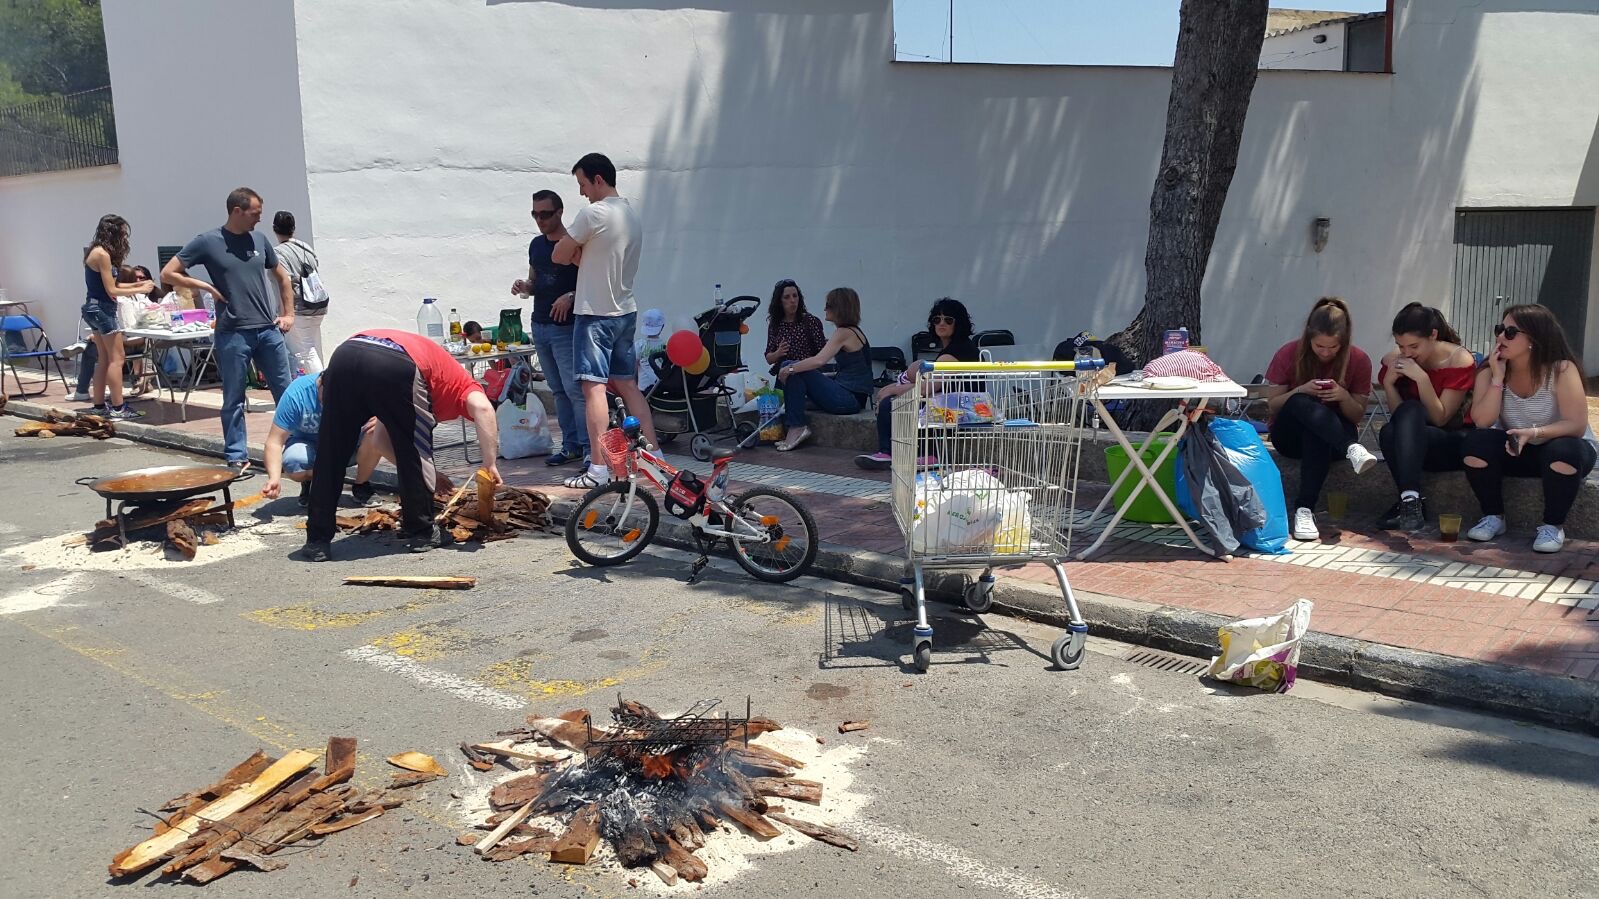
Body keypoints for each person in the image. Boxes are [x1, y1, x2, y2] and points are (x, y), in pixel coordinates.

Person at [303, 329, 501, 561]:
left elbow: (380, 441)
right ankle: (422, 532)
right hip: (396, 363)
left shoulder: (430, 381)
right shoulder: (464, 385)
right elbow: (483, 408)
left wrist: (431, 475)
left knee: (331, 451)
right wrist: (490, 464)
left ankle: (317, 540)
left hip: (346, 355)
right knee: (415, 449)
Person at [162, 188, 297, 471]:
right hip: (233, 332)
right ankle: (236, 456)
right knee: (233, 397)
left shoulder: (260, 240)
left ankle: (296, 450)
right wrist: (205, 286)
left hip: (268, 330)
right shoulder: (208, 241)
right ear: (237, 211)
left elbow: (282, 278)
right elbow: (168, 273)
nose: (259, 219)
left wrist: (288, 314)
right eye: (255, 213)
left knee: (286, 394)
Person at [552, 153, 657, 489]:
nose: (582, 192)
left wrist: (575, 250)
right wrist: (581, 254)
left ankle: (597, 469)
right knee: (628, 385)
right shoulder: (631, 215)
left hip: (595, 313)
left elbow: (558, 254)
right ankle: (654, 456)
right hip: (625, 311)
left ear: (598, 179)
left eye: (583, 183)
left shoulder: (594, 213)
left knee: (593, 388)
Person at [1462, 305, 1598, 553]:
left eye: (1510, 332)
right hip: (1518, 449)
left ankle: (1553, 526)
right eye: (1499, 329)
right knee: (1476, 443)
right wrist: (1497, 379)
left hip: (1566, 450)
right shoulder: (1490, 371)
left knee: (1564, 450)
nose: (1500, 337)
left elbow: (1576, 425)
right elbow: (1482, 421)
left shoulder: (1561, 369)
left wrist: (1533, 433)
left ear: (1534, 339)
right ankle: (1493, 516)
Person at [1261, 297, 1376, 541]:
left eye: (1333, 347)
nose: (1325, 352)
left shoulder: (1359, 359)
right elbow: (1273, 405)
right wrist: (1301, 390)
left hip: (1334, 437)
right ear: (1308, 337)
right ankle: (1352, 448)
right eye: (1319, 346)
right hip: (1290, 436)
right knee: (1301, 402)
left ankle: (1304, 509)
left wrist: (1343, 396)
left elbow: (1357, 414)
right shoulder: (1289, 353)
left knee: (1316, 433)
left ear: (1344, 341)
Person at [1374, 303, 1476, 531]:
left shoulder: (1458, 359)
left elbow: (1441, 418)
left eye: (1414, 346)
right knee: (1389, 431)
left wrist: (1422, 379)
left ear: (1433, 335)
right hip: (1412, 440)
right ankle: (1411, 500)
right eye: (1400, 346)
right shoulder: (1396, 359)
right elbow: (1399, 417)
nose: (1407, 353)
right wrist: (1389, 384)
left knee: (1411, 409)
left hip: (1451, 440)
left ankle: (1408, 501)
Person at [855, 298, 980, 470]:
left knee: (891, 403)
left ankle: (889, 452)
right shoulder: (958, 348)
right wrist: (895, 388)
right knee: (910, 401)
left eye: (948, 320)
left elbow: (926, 388)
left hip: (961, 408)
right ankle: (917, 453)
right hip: (958, 405)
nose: (941, 323)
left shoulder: (954, 352)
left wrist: (892, 390)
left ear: (959, 323)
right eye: (937, 319)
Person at [262, 372, 415, 509]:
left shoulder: (358, 389)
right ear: (320, 383)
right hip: (310, 446)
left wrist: (381, 418)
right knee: (294, 462)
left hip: (347, 444)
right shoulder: (297, 394)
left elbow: (393, 408)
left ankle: (361, 484)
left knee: (376, 431)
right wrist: (274, 478)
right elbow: (274, 442)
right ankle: (313, 481)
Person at [513, 189, 588, 468]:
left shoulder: (574, 244)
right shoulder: (536, 245)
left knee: (574, 390)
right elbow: (535, 282)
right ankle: (571, 446)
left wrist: (571, 296)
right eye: (535, 214)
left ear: (559, 212)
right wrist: (525, 286)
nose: (539, 220)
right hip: (540, 324)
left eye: (545, 214)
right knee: (557, 390)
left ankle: (589, 448)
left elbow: (592, 283)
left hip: (566, 328)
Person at [774, 286, 872, 452]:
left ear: (839, 308)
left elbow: (818, 361)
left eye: (828, 305)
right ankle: (796, 426)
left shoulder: (844, 332)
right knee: (795, 380)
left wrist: (789, 369)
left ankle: (797, 427)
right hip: (850, 394)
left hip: (849, 399)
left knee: (789, 366)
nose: (825, 309)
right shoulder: (852, 331)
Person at [80, 214, 155, 420]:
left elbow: (113, 285)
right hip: (103, 310)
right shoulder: (102, 254)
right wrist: (140, 288)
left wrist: (139, 284)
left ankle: (98, 406)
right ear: (112, 232)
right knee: (117, 359)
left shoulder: (96, 252)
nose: (125, 238)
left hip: (94, 308)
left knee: (104, 359)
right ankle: (118, 407)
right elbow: (112, 290)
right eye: (123, 233)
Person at [272, 211, 329, 375]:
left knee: (306, 352)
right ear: (293, 228)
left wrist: (285, 313)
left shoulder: (279, 253)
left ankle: (319, 387)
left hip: (299, 307)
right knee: (313, 348)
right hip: (318, 304)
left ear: (274, 228)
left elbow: (286, 282)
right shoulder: (306, 248)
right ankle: (320, 382)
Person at [764, 279, 825, 375]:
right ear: (779, 302)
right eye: (786, 297)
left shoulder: (810, 321)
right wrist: (778, 353)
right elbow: (769, 359)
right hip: (785, 373)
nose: (792, 301)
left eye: (795, 296)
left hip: (808, 373)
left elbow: (823, 354)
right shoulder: (775, 324)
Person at [636, 308, 668, 394]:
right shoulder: (666, 345)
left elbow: (635, 364)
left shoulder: (639, 344)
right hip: (660, 387)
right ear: (662, 327)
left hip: (643, 387)